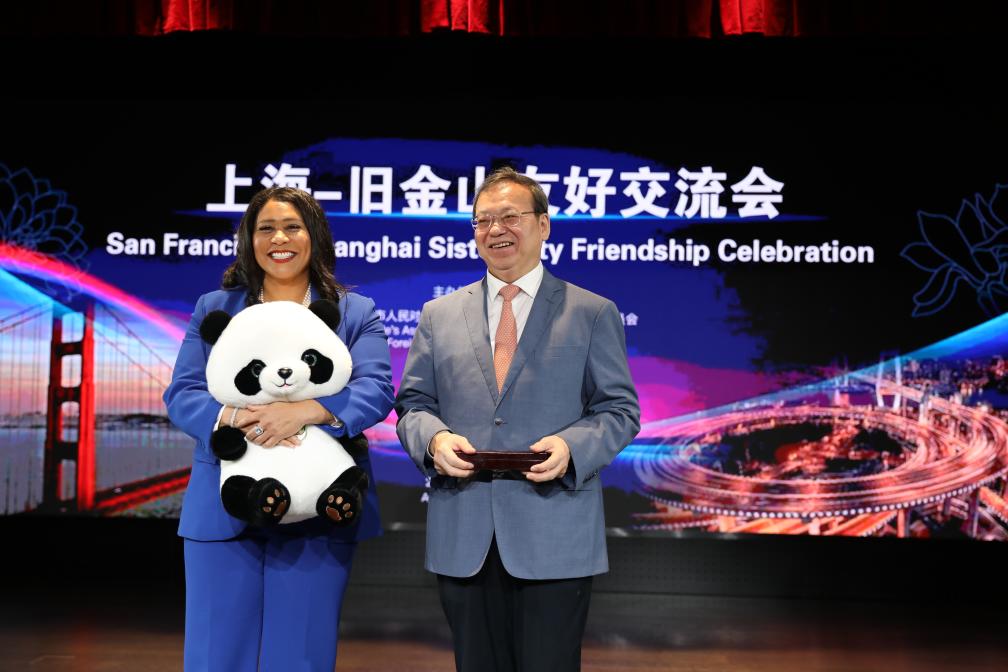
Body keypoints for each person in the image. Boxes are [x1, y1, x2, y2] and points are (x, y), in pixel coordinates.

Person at [395, 167, 640, 671]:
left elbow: (619, 410)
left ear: (543, 225)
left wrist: (572, 447)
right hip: (464, 534)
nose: (495, 230)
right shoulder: (439, 314)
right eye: (483, 221)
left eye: (510, 217)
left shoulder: (592, 312)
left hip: (554, 534)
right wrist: (434, 440)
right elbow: (413, 404)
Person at [163, 186, 394, 671]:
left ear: (315, 236)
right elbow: (183, 392)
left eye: (292, 227)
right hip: (223, 508)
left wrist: (309, 411)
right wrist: (237, 418)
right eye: (265, 228)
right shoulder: (215, 307)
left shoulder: (354, 312)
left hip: (319, 510)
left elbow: (376, 389)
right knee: (216, 655)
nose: (279, 239)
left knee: (300, 657)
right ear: (249, 240)